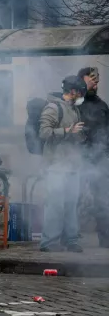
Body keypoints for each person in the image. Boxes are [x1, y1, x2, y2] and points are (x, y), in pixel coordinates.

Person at [39, 75, 88, 252]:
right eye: (81, 92)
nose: (82, 95)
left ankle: (71, 240)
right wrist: (68, 130)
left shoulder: (74, 109)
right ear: (73, 91)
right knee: (55, 204)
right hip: (56, 166)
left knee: (71, 204)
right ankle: (49, 243)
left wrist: (80, 135)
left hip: (72, 165)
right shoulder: (53, 108)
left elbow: (74, 134)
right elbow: (44, 133)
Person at [77, 67, 109, 247]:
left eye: (97, 79)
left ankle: (106, 239)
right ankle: (70, 239)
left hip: (100, 159)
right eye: (92, 78)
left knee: (103, 199)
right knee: (73, 198)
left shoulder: (102, 105)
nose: (96, 82)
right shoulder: (74, 103)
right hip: (78, 158)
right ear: (82, 79)